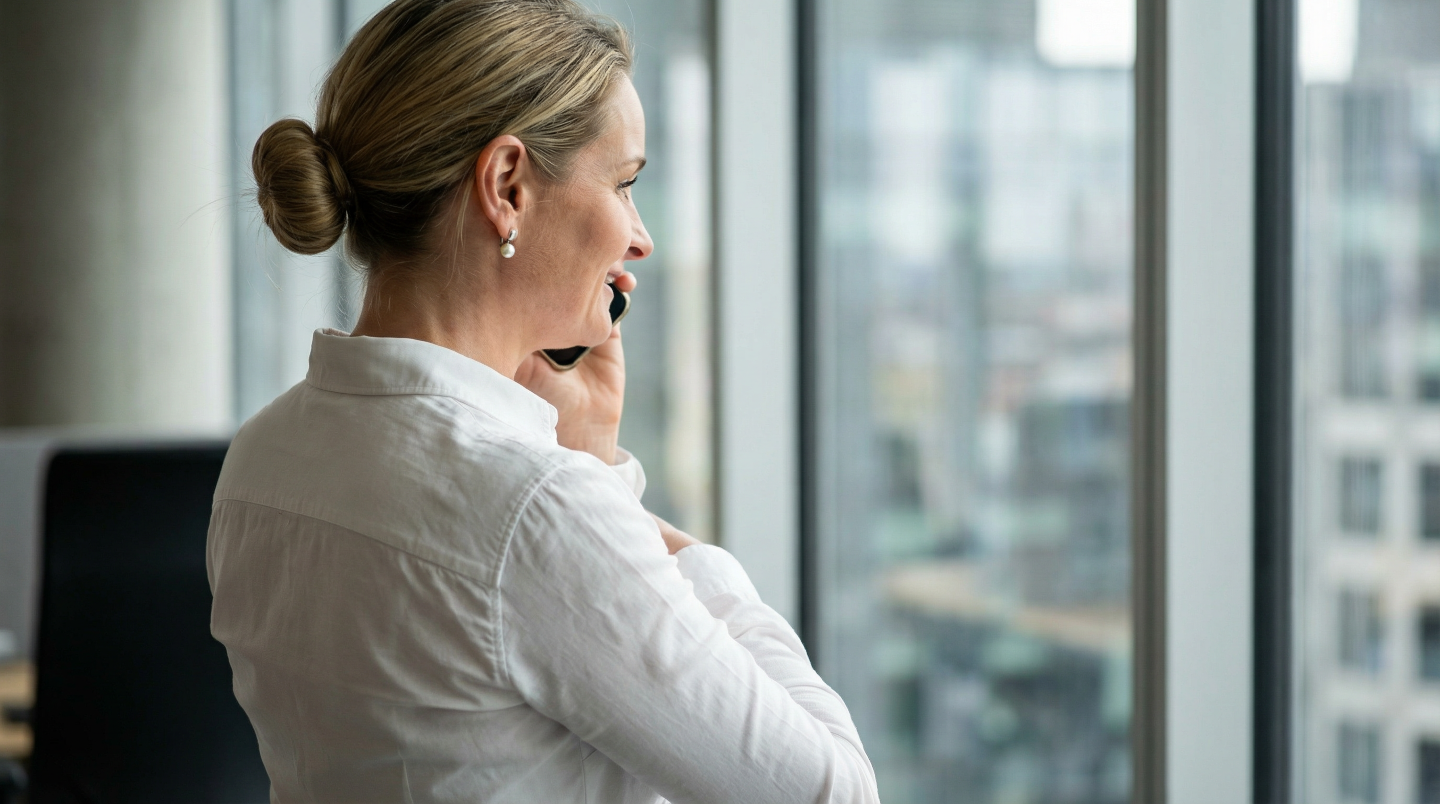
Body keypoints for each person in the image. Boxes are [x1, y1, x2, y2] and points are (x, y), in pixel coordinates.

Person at [206, 1, 878, 802]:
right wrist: (605, 490)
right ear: (508, 186)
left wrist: (582, 469)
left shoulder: (262, 454)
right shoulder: (538, 511)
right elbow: (832, 791)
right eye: (624, 184)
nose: (641, 237)